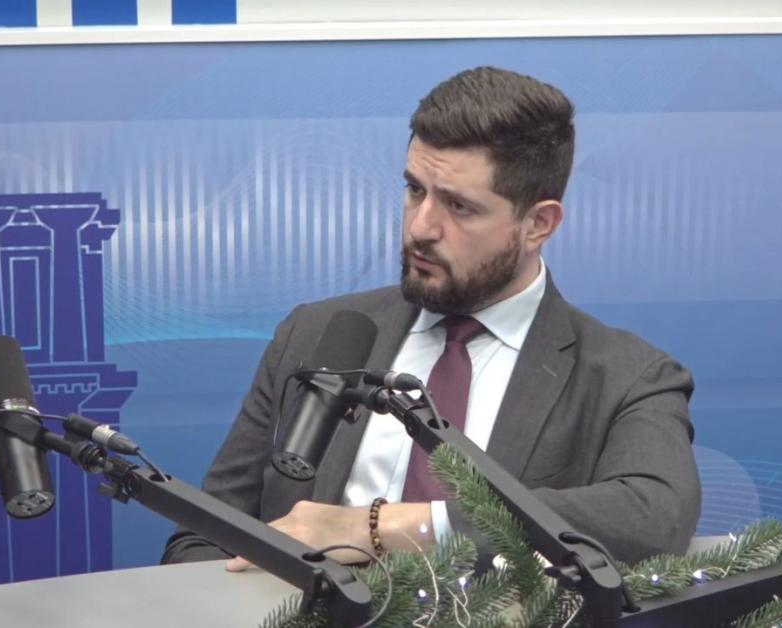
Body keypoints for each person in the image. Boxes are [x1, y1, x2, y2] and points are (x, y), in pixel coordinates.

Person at [161, 66, 700, 570]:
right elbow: (203, 537)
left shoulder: (627, 376)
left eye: (459, 206)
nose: (421, 228)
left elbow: (653, 516)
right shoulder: (314, 334)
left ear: (538, 223)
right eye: (415, 190)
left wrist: (380, 528)